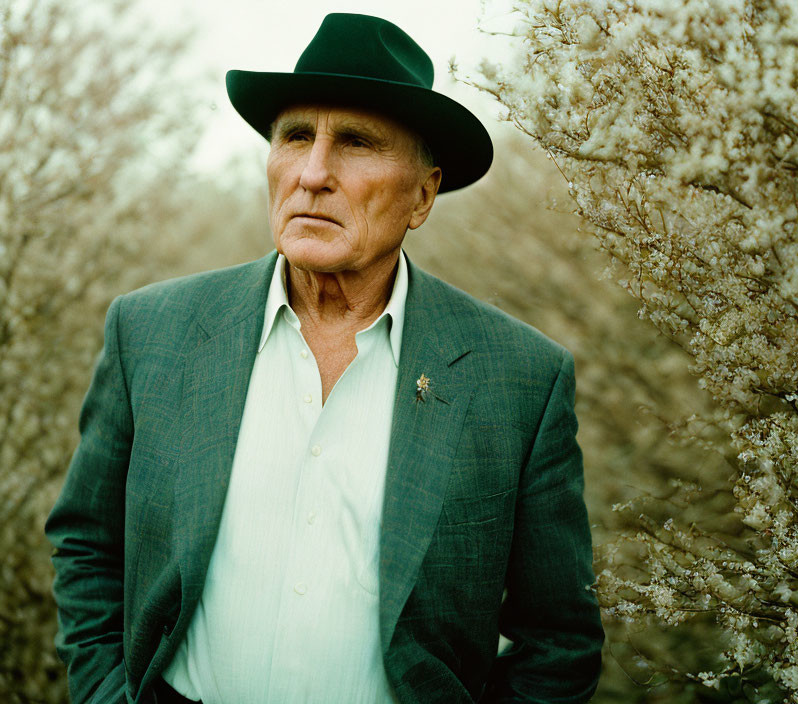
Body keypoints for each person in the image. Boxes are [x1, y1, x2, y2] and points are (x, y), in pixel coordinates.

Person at [45, 13, 604, 704]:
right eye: (296, 136)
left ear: (423, 195)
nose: (313, 173)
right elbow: (86, 547)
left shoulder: (518, 379)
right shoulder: (151, 332)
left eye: (358, 143)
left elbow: (560, 641)